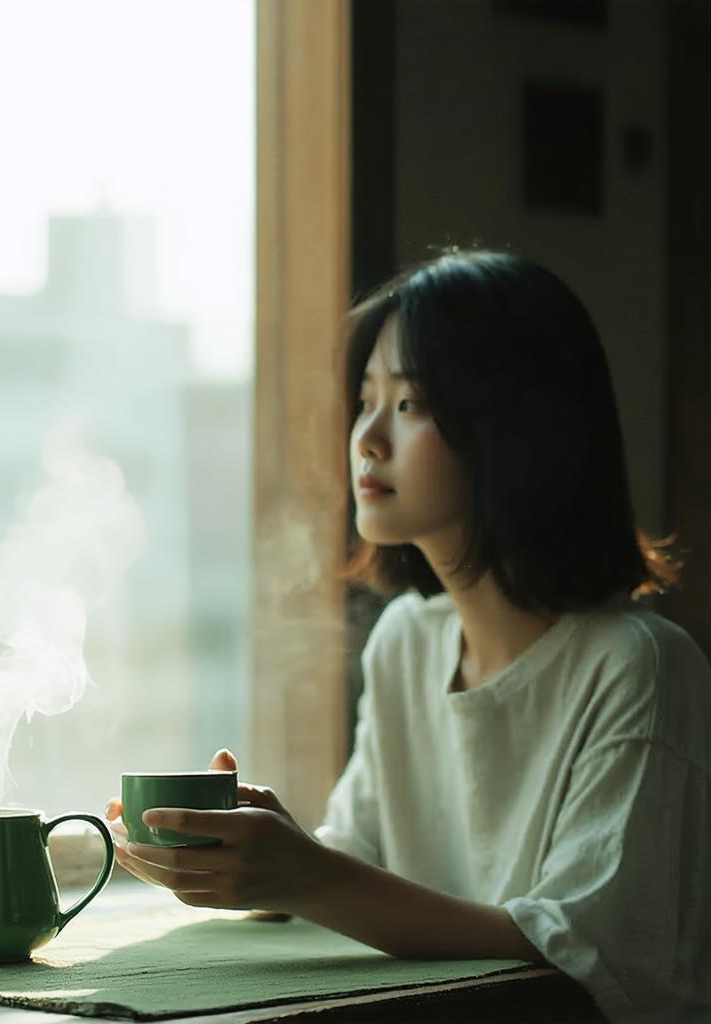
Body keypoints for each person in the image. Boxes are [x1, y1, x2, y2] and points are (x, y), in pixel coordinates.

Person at [104, 250, 710, 1023]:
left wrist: (304, 876)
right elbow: (361, 859)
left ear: (518, 426)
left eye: (412, 403)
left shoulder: (639, 668)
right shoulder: (407, 642)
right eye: (366, 401)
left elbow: (586, 956)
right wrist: (257, 850)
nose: (367, 438)